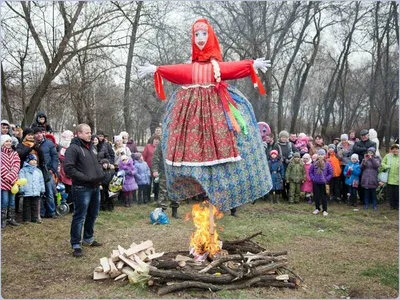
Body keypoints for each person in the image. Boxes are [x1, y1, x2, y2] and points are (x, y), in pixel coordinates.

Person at [139, 18, 272, 212]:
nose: (200, 38)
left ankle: (226, 185)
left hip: (216, 111)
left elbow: (232, 68)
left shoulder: (217, 67)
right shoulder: (191, 68)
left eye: (203, 34)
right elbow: (177, 71)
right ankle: (196, 181)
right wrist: (157, 70)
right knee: (189, 140)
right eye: (196, 35)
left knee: (225, 139)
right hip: (192, 114)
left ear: (210, 37)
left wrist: (251, 65)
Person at [64, 123, 105, 257]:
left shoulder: (92, 147)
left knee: (93, 214)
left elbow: (95, 163)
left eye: (90, 132)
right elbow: (69, 168)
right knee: (79, 216)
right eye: (87, 132)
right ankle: (76, 243)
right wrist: (86, 178)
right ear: (79, 134)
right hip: (82, 188)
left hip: (95, 187)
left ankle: (88, 238)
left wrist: (100, 174)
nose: (90, 134)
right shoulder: (73, 149)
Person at [33, 126, 59, 218]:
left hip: (47, 171)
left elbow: (55, 157)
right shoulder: (33, 144)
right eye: (36, 133)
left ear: (43, 133)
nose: (38, 135)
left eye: (40, 133)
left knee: (49, 192)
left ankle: (51, 212)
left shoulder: (49, 143)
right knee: (39, 193)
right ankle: (41, 212)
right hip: (36, 171)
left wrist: (53, 169)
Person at [151, 143, 180, 218]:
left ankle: (175, 211)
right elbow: (156, 157)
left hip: (176, 169)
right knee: (163, 190)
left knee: (176, 190)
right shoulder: (162, 144)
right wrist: (155, 170)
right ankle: (161, 211)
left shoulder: (179, 142)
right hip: (164, 170)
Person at [18, 154, 45, 223]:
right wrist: (22, 189)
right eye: (32, 160)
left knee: (35, 205)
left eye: (35, 160)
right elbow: (21, 180)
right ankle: (26, 219)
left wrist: (42, 189)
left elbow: (41, 181)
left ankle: (35, 218)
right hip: (27, 191)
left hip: (36, 191)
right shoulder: (23, 170)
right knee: (26, 205)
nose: (34, 161)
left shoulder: (38, 171)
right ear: (28, 161)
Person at [1, 135, 21, 228]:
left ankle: (11, 218)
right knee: (4, 200)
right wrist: (9, 178)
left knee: (12, 200)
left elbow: (17, 165)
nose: (8, 143)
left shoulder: (14, 153)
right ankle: (3, 219)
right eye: (6, 141)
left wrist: (13, 177)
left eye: (9, 141)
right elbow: (1, 168)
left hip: (14, 182)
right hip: (3, 181)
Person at [353, 129, 377, 204]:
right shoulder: (357, 142)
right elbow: (355, 149)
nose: (363, 137)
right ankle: (362, 198)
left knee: (369, 182)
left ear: (368, 135)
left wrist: (361, 150)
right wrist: (365, 149)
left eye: (365, 135)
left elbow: (371, 152)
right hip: (359, 163)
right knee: (360, 181)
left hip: (369, 165)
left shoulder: (373, 143)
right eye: (362, 135)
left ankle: (369, 199)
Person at [309, 149, 333, 216]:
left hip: (323, 183)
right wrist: (313, 178)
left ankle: (325, 210)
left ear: (324, 155)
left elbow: (330, 173)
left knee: (324, 196)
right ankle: (317, 208)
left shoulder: (327, 164)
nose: (320, 156)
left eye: (322, 154)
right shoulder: (314, 164)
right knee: (316, 196)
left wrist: (326, 179)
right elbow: (310, 172)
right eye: (319, 154)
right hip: (316, 182)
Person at [380, 144, 399, 210]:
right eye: (393, 149)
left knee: (397, 193)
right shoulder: (388, 156)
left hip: (397, 179)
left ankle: (397, 205)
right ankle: (392, 205)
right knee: (390, 193)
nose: (395, 150)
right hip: (389, 178)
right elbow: (382, 163)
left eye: (396, 149)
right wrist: (386, 166)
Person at [142, 136, 161, 202]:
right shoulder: (148, 146)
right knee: (148, 183)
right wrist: (143, 165)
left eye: (158, 140)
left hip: (157, 169)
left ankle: (156, 197)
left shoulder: (160, 148)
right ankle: (147, 198)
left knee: (156, 184)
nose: (156, 141)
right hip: (148, 168)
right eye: (155, 139)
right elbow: (144, 156)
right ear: (152, 140)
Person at [336, 134, 354, 202]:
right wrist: (340, 153)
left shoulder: (352, 145)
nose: (344, 141)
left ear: (347, 139)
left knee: (347, 181)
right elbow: (339, 157)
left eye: (345, 140)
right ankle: (341, 196)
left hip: (349, 164)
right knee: (342, 180)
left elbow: (353, 154)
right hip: (342, 164)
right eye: (342, 140)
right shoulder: (339, 146)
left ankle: (347, 196)